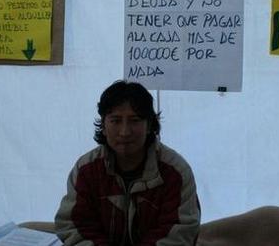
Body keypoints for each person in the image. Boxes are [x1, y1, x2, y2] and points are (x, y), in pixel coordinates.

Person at [55, 80, 200, 245]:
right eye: (115, 121)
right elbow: (73, 225)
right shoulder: (86, 170)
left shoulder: (175, 172)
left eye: (135, 120)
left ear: (149, 125)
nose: (124, 132)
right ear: (103, 125)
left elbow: (180, 232)